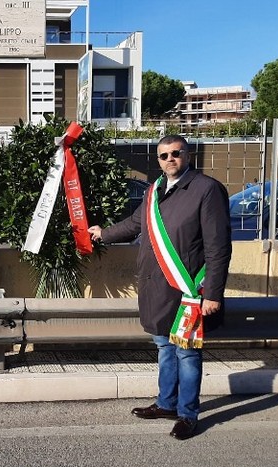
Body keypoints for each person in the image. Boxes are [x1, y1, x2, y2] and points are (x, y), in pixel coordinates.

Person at [88, 135, 232, 440]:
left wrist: (214, 294)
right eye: (164, 155)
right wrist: (103, 233)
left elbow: (219, 247)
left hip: (189, 291)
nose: (170, 159)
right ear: (158, 160)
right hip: (156, 287)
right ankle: (166, 404)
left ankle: (187, 414)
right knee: (165, 348)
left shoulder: (206, 190)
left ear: (187, 154)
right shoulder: (153, 191)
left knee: (187, 354)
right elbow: (134, 224)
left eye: (176, 153)